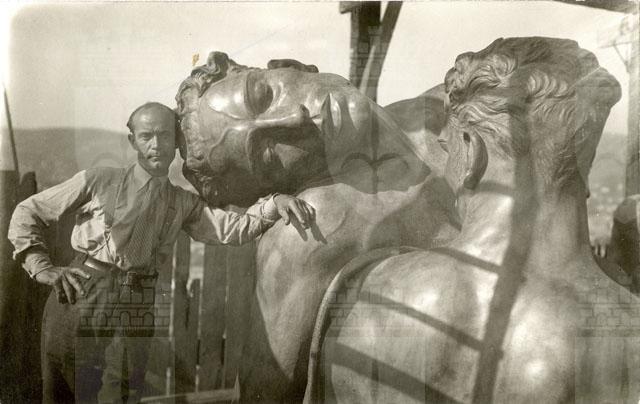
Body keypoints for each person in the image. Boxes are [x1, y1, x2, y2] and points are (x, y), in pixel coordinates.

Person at [8, 102, 316, 403]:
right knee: (67, 393)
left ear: (177, 141)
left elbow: (232, 228)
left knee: (124, 395)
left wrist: (275, 204)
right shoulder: (99, 180)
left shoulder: (182, 202)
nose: (156, 145)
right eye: (146, 136)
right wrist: (40, 265)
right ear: (133, 141)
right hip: (84, 294)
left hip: (137, 302)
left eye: (164, 135)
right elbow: (28, 211)